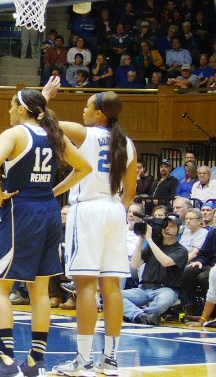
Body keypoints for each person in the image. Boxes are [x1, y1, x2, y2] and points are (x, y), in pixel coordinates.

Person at [0, 88, 91, 377]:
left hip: (21, 211)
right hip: (49, 211)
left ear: (21, 109)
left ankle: (6, 361)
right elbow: (84, 167)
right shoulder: (54, 134)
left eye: (11, 105)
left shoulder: (14, 134)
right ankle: (36, 362)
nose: (8, 111)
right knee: (39, 289)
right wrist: (53, 192)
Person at [43, 77, 138, 377]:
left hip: (88, 210)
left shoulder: (86, 133)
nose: (83, 111)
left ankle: (83, 361)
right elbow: (130, 193)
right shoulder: (128, 143)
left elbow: (44, 122)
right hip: (114, 209)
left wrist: (45, 97)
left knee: (85, 285)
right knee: (111, 286)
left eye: (86, 107)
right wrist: (115, 211)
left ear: (99, 114)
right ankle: (110, 360)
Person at [123, 216, 188, 326]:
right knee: (114, 296)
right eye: (165, 226)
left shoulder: (181, 250)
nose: (167, 228)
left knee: (162, 302)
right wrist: (141, 239)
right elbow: (135, 264)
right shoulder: (153, 246)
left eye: (172, 226)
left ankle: (135, 314)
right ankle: (141, 316)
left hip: (167, 289)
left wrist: (149, 239)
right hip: (144, 289)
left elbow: (165, 262)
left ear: (179, 230)